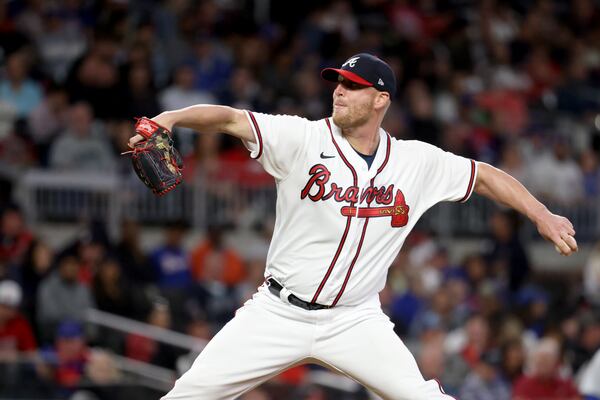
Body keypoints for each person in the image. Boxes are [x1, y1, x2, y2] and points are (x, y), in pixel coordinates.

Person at [129, 53, 578, 400]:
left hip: (355, 320)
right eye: (338, 82)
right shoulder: (301, 137)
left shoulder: (414, 161)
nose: (339, 91)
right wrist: (170, 118)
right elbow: (229, 117)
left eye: (353, 86)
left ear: (381, 100)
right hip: (278, 312)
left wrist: (542, 214)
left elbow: (484, 176)